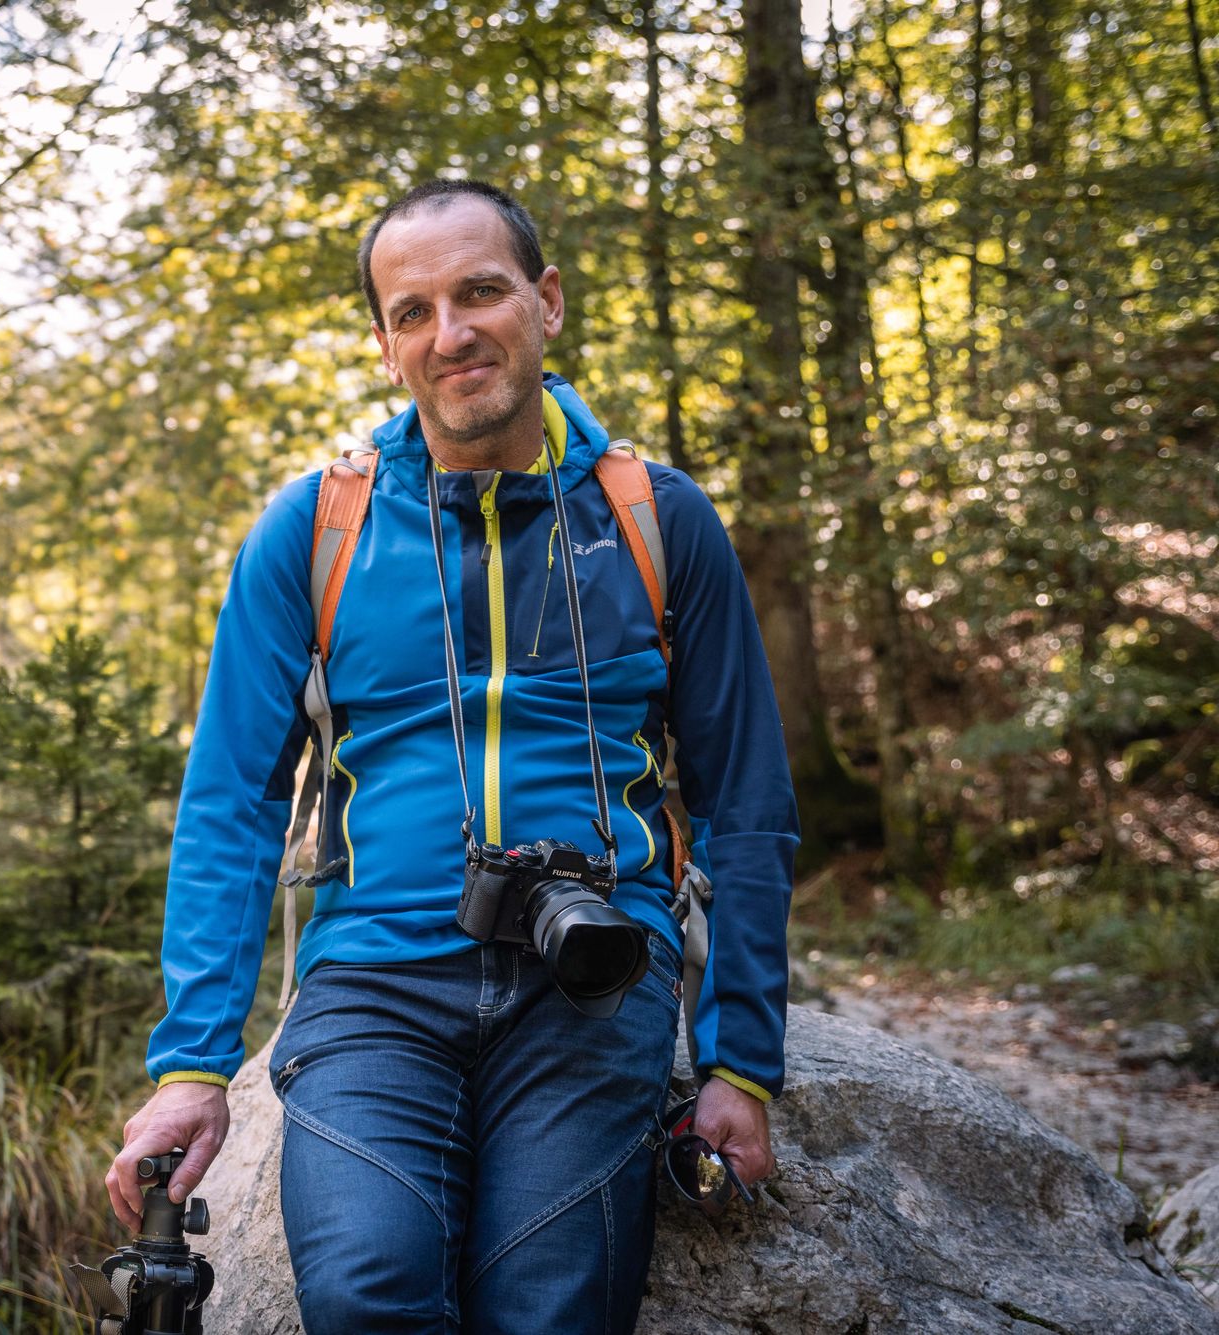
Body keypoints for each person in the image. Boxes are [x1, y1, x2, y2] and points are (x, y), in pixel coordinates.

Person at [107, 179, 799, 1334]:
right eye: (412, 309)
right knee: (367, 1293)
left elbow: (746, 802)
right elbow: (230, 800)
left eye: (480, 292)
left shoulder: (655, 518)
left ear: (547, 301)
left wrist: (738, 1062)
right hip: (372, 981)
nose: (451, 333)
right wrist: (191, 1065)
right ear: (384, 346)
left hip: (591, 976)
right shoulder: (315, 529)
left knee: (548, 1311)